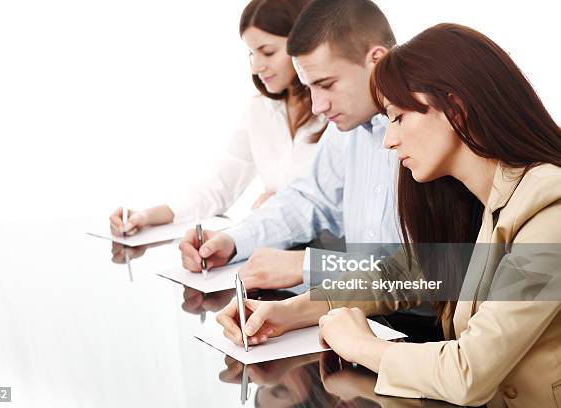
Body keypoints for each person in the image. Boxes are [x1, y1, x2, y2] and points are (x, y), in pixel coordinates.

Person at [217, 23, 561, 407]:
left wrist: (360, 345)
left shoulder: (549, 206)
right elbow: (399, 276)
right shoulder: (477, 202)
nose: (388, 139)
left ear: (456, 111)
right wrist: (288, 311)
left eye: (398, 117)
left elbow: (470, 373)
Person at [179, 0, 400, 291]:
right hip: (362, 306)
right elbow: (308, 200)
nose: (318, 106)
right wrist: (233, 241)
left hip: (423, 328)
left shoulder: (433, 126)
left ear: (376, 60)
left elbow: (442, 272)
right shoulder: (347, 128)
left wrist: (308, 265)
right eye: (310, 87)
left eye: (327, 84)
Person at [109, 0, 327, 237]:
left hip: (330, 258)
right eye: (252, 54)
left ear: (304, 43)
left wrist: (277, 208)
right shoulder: (259, 111)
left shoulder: (338, 113)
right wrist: (147, 216)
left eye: (267, 52)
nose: (256, 67)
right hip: (274, 251)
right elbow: (218, 189)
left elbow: (340, 207)